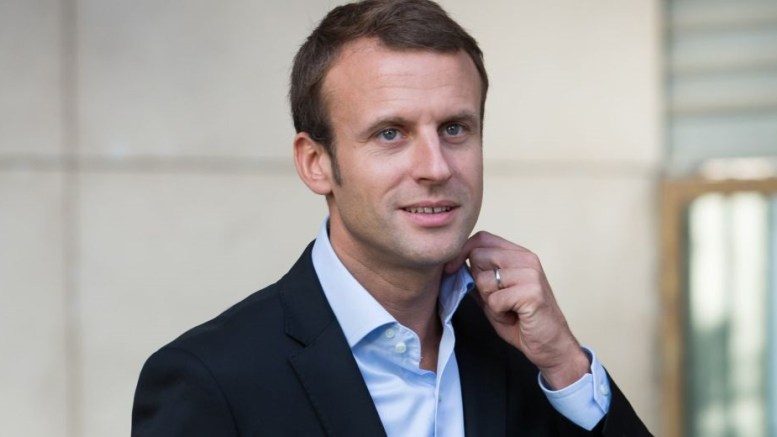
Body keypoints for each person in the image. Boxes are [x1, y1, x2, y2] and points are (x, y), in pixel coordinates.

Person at [132, 0, 651, 435]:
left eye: (454, 128)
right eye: (390, 133)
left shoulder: (529, 354)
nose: (436, 167)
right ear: (316, 163)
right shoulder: (210, 381)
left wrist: (566, 365)